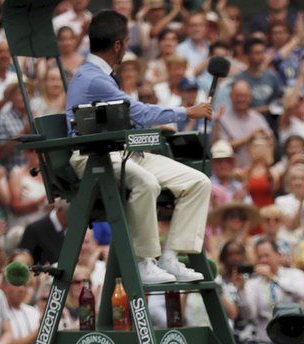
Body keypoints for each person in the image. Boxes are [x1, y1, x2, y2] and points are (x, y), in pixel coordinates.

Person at [65, 11, 211, 284]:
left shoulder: (100, 75)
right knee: (146, 182)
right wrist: (187, 111)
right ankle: (144, 262)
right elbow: (139, 113)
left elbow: (129, 117)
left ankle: (170, 258)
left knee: (198, 182)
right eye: (127, 40)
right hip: (93, 158)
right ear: (118, 45)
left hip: (122, 152)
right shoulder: (93, 78)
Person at [243, 236, 304, 344]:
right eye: (260, 257)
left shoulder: (296, 275)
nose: (263, 260)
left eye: (267, 255)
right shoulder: (252, 284)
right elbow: (250, 315)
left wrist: (274, 279)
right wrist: (240, 290)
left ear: (278, 255)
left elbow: (301, 292)